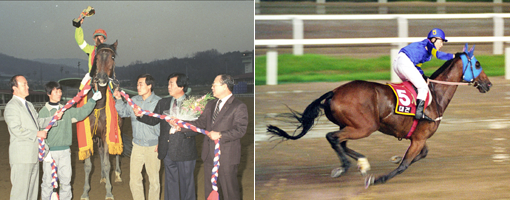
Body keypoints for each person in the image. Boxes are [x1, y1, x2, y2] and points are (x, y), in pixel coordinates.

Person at [178, 74, 248, 200]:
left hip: (227, 157)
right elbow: (200, 123)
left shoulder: (238, 106)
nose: (212, 87)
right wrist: (181, 124)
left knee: (229, 193)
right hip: (209, 155)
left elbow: (240, 130)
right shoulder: (211, 104)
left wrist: (221, 135)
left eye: (214, 84)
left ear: (225, 86)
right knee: (210, 193)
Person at [136, 73, 199, 200]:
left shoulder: (192, 104)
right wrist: (140, 114)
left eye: (171, 83)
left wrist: (181, 127)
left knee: (187, 186)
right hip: (168, 150)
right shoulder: (163, 102)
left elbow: (197, 128)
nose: (168, 86)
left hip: (185, 151)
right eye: (168, 83)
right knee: (171, 185)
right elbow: (153, 120)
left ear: (181, 86)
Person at [39, 81, 101, 200]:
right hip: (50, 153)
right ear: (48, 93)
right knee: (47, 182)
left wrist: (93, 100)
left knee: (66, 181)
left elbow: (81, 113)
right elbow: (40, 134)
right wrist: (45, 152)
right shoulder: (43, 112)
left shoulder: (66, 110)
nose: (59, 94)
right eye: (56, 91)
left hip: (65, 152)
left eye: (60, 91)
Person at [4, 75, 63, 200]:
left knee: (32, 193)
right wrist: (37, 134)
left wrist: (54, 118)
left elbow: (38, 122)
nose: (28, 87)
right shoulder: (11, 106)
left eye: (27, 84)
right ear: (15, 88)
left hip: (33, 156)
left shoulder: (29, 105)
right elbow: (16, 129)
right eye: (24, 84)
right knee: (20, 193)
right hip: (21, 157)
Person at [113, 74, 162, 200]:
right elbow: (123, 112)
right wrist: (118, 100)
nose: (138, 87)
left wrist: (161, 142)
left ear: (149, 85)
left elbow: (164, 125)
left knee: (154, 180)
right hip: (137, 146)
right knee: (134, 179)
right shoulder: (133, 100)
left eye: (141, 84)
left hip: (153, 146)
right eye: (137, 84)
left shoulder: (159, 102)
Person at [393, 28, 455, 120]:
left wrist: (423, 76)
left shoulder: (425, 49)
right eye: (441, 41)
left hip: (397, 64)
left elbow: (416, 66)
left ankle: (407, 109)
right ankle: (419, 113)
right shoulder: (429, 44)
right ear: (434, 39)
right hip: (404, 63)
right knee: (423, 88)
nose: (442, 45)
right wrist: (454, 56)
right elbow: (438, 55)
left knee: (413, 87)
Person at [73, 16, 107, 89]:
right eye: (97, 38)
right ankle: (79, 99)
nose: (99, 40)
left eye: (101, 38)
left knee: (114, 89)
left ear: (104, 40)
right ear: (94, 39)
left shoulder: (108, 51)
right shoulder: (90, 49)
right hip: (91, 75)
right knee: (81, 87)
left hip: (105, 75)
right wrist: (78, 27)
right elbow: (80, 41)